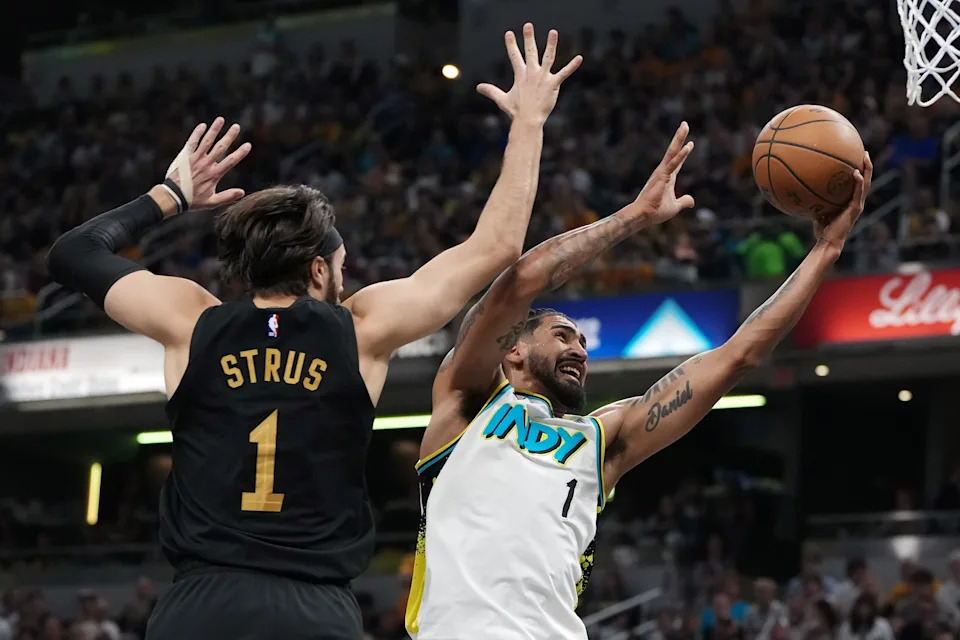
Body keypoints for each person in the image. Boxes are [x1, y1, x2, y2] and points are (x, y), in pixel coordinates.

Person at [45, 24, 581, 640]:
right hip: (312, 607)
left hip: (199, 606)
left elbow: (73, 253)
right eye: (344, 268)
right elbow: (498, 246)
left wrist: (169, 195)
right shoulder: (361, 329)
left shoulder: (189, 319)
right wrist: (530, 121)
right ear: (320, 267)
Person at [405, 129, 873, 640]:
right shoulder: (468, 403)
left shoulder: (602, 440)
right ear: (513, 350)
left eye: (583, 341)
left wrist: (827, 250)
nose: (580, 350)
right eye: (563, 335)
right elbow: (518, 283)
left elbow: (739, 355)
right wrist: (634, 217)